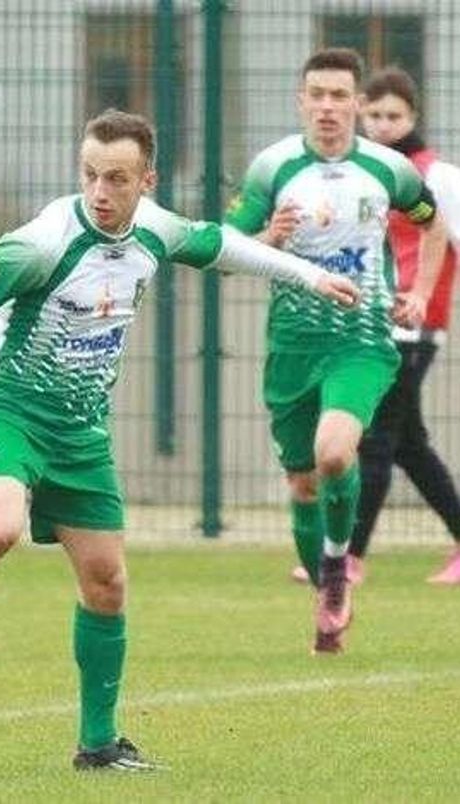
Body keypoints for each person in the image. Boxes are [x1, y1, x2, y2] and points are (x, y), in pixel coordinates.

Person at [0, 109, 360, 772]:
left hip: (80, 427)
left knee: (106, 582)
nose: (100, 191)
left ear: (147, 181)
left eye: (116, 178)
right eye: (89, 175)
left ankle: (99, 745)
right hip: (5, 404)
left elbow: (222, 245)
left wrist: (309, 275)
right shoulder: (43, 241)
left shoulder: (156, 229)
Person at [225, 49, 448, 652]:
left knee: (332, 455)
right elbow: (224, 248)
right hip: (292, 348)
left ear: (356, 103)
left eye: (338, 96)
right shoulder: (272, 167)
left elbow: (433, 223)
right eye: (316, 95)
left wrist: (421, 291)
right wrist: (268, 238)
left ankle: (336, 569)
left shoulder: (387, 169)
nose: (327, 107)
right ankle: (327, 588)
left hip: (362, 342)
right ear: (301, 100)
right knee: (302, 486)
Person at [292, 67, 460, 586]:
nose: (385, 124)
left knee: (378, 440)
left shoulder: (436, 175)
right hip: (363, 319)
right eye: (377, 115)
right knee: (408, 443)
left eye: (396, 116)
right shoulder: (359, 172)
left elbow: (444, 238)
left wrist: (424, 296)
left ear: (413, 118)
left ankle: (350, 556)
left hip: (408, 324)